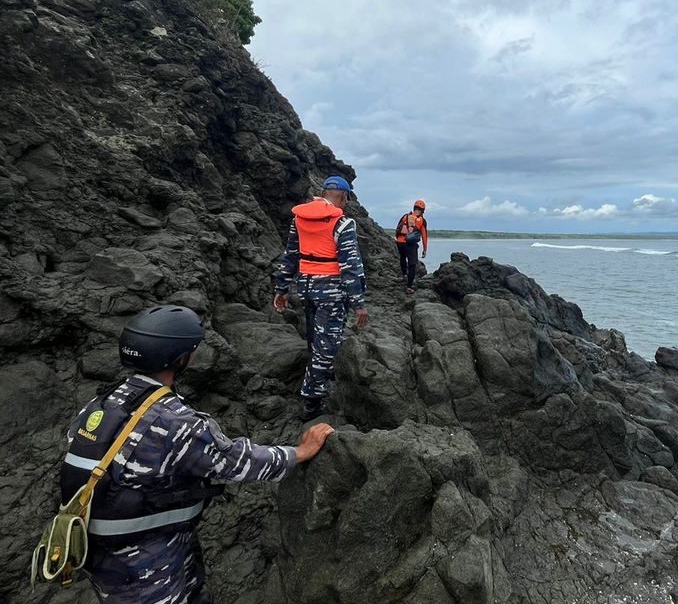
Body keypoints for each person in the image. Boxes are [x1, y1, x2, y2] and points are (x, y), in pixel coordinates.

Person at [61, 305, 335, 604]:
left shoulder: (102, 402)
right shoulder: (176, 421)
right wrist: (299, 452)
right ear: (181, 358)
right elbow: (235, 462)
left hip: (100, 550)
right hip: (144, 561)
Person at [273, 175, 369, 419]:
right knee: (326, 346)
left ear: (324, 193)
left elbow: (290, 256)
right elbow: (350, 267)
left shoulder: (299, 219)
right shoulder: (343, 224)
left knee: (314, 339)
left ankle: (318, 379)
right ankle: (312, 402)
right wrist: (358, 304)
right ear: (343, 198)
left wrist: (282, 288)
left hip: (306, 288)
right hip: (332, 293)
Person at [394, 199, 428, 293]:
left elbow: (398, 228)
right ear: (422, 211)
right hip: (410, 244)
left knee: (402, 257)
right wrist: (425, 250)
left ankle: (404, 274)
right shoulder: (422, 220)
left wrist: (399, 240)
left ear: (414, 208)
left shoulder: (405, 216)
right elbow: (424, 236)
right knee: (412, 264)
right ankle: (409, 286)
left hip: (400, 243)